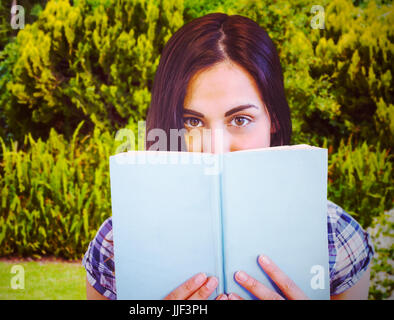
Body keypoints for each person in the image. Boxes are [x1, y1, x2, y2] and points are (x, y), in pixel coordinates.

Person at [82, 13, 374, 300]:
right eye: (192, 121)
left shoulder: (335, 235)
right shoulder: (116, 243)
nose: (216, 149)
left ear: (273, 120)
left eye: (240, 119)